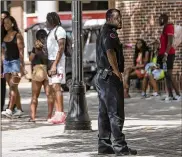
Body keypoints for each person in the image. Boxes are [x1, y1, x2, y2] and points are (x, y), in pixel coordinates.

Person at [94, 9, 137, 155]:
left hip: (102, 77)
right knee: (115, 113)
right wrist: (117, 72)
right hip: (110, 78)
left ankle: (104, 145)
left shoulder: (105, 32)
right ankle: (120, 147)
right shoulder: (110, 33)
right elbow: (110, 52)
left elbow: (110, 48)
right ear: (109, 19)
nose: (120, 21)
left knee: (104, 113)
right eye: (117, 18)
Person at [1, 16, 25, 117]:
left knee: (13, 86)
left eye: (7, 23)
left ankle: (10, 109)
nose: (5, 25)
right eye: (4, 23)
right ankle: (19, 110)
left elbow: (21, 52)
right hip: (6, 63)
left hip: (15, 62)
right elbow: (2, 53)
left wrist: (22, 65)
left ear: (12, 23)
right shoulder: (3, 36)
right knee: (13, 88)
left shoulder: (18, 35)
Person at [28, 29, 54, 122]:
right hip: (46, 70)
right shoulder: (45, 46)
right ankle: (48, 116)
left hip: (40, 70)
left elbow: (30, 59)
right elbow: (31, 58)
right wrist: (36, 49)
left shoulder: (43, 47)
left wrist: (37, 49)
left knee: (36, 95)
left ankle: (34, 117)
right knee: (47, 95)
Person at [46, 12, 66, 124]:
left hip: (58, 62)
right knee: (54, 87)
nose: (46, 22)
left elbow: (61, 47)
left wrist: (55, 64)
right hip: (51, 61)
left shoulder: (60, 30)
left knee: (57, 87)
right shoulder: (51, 32)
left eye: (48, 20)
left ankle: (61, 113)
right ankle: (57, 113)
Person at [158, 13, 181, 102]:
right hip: (164, 54)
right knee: (167, 75)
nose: (159, 21)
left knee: (170, 74)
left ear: (164, 19)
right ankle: (170, 95)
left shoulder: (169, 27)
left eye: (160, 19)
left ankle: (178, 95)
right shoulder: (165, 28)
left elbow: (170, 42)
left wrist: (166, 55)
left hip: (168, 54)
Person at [1, 11, 10, 111]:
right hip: (3, 60)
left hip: (8, 60)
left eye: (4, 18)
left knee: (11, 84)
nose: (3, 20)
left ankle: (12, 106)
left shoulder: (9, 31)